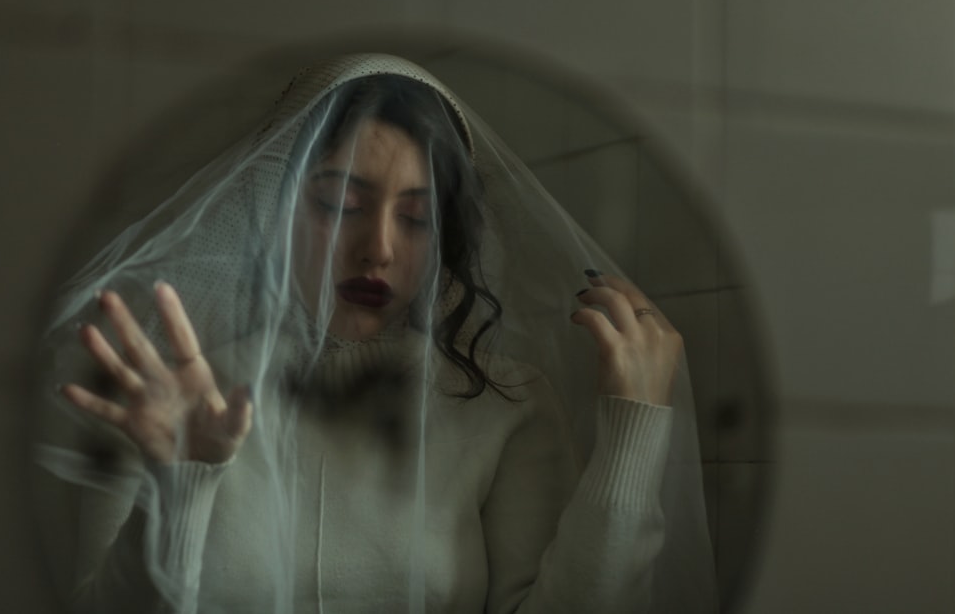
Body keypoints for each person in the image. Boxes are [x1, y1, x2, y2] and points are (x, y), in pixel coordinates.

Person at [35, 54, 716, 613]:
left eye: (417, 219)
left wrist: (633, 435)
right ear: (277, 209)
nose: (378, 248)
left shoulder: (508, 406)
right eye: (339, 204)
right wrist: (180, 482)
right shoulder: (175, 400)